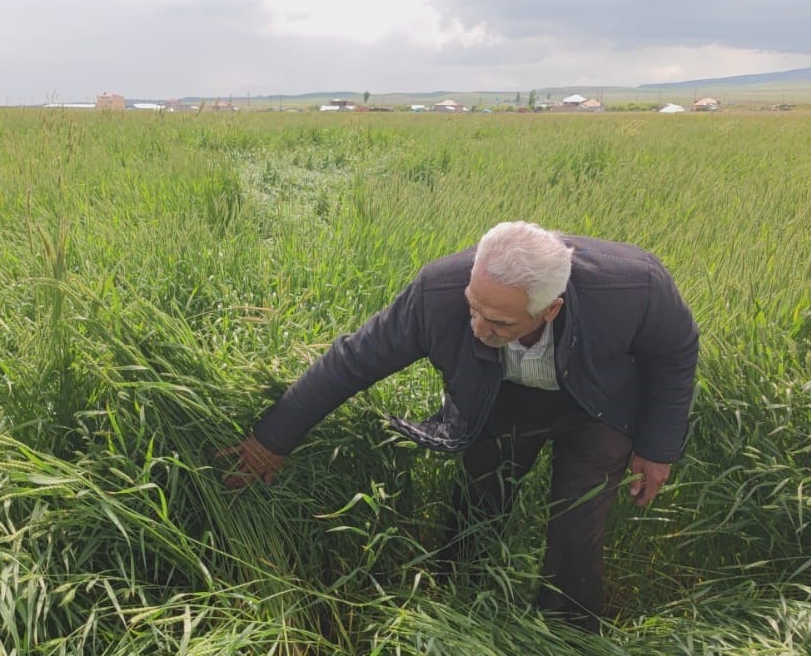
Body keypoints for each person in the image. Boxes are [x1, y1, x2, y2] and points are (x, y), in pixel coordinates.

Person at [221, 221, 699, 632]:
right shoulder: (439, 292)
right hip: (500, 399)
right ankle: (458, 591)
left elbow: (675, 352)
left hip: (597, 405)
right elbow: (353, 361)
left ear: (548, 309)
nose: (476, 327)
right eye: (473, 305)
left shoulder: (633, 288)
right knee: (479, 495)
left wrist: (657, 449)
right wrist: (272, 440)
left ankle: (567, 635)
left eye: (498, 321)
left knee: (577, 526)